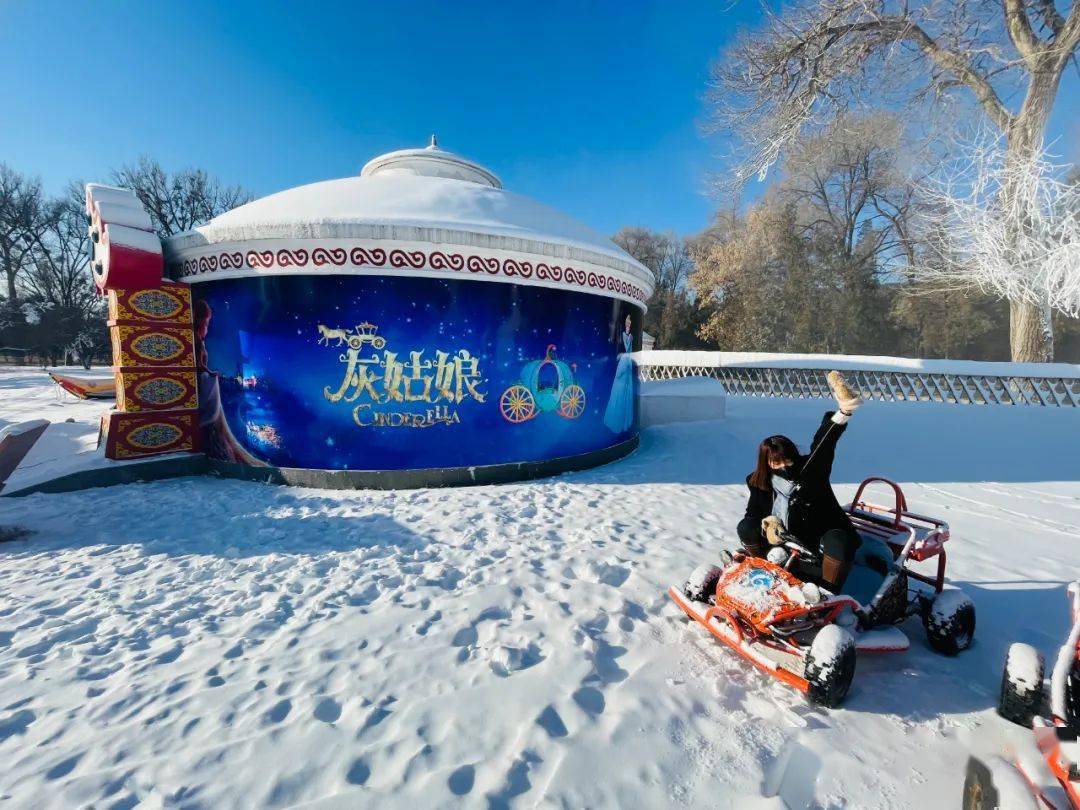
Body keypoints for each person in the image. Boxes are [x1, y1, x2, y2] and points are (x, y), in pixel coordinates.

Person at [736, 371, 863, 591]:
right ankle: (762, 568)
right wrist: (767, 523)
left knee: (838, 542)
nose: (783, 466)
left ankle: (827, 593)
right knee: (746, 527)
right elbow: (752, 513)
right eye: (776, 463)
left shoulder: (809, 472)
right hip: (783, 544)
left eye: (787, 460)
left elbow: (823, 445)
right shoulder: (758, 481)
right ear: (766, 463)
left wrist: (843, 413)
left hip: (818, 540)